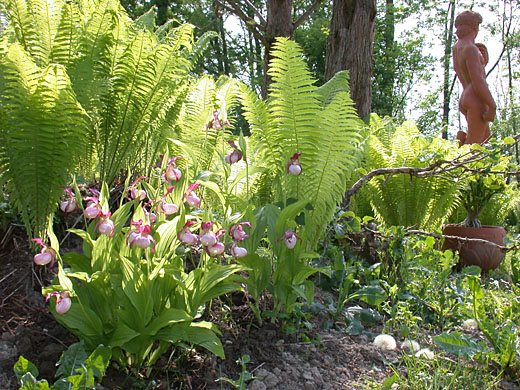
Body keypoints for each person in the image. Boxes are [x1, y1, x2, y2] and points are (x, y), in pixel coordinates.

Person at [453, 10, 496, 146]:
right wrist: (492, 106)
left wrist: (483, 61)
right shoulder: (471, 48)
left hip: (465, 96)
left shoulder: (457, 47)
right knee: (474, 149)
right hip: (476, 98)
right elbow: (478, 80)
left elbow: (467, 71)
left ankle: (460, 141)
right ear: (474, 27)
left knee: (485, 141)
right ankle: (458, 154)